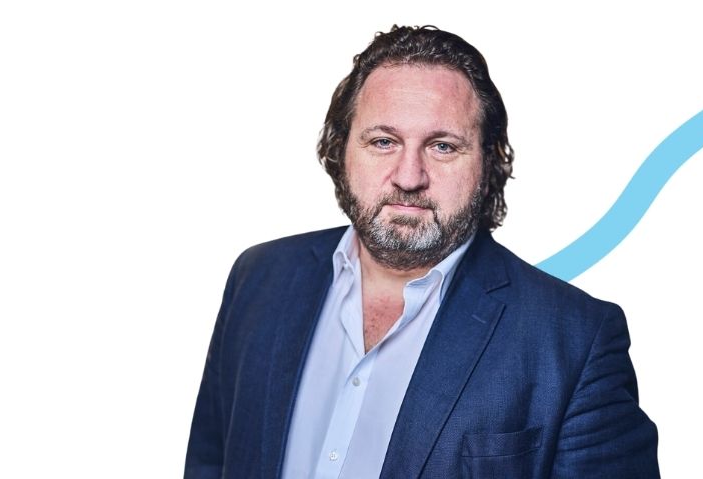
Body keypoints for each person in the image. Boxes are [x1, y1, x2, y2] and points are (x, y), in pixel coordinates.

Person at [184, 25, 659, 478]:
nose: (409, 176)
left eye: (443, 146)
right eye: (384, 141)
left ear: (489, 162)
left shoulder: (576, 340)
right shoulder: (258, 278)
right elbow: (210, 462)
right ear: (340, 149)